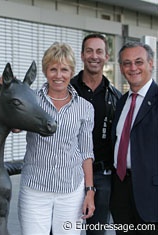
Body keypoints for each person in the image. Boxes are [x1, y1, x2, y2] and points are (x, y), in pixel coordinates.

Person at [18, 42, 95, 235]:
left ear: (71, 72)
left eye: (64, 69)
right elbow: (16, 127)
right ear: (45, 71)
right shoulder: (32, 100)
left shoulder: (84, 107)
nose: (58, 75)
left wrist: (90, 191)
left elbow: (86, 152)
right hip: (35, 188)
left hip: (71, 190)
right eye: (53, 69)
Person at [70, 33, 121, 235]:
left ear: (106, 56)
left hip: (102, 177)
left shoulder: (116, 97)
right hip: (68, 175)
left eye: (99, 51)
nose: (94, 56)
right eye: (89, 51)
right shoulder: (67, 90)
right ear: (82, 55)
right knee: (62, 230)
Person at [111, 41, 158, 235]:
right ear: (121, 68)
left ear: (151, 63)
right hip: (121, 190)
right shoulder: (122, 101)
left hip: (151, 195)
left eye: (138, 62)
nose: (133, 68)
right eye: (127, 63)